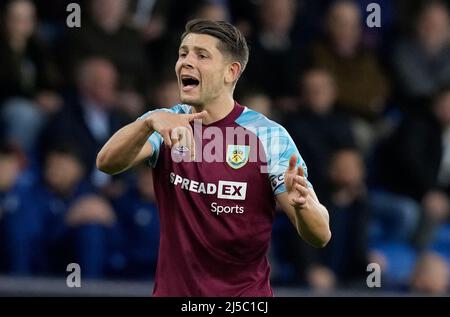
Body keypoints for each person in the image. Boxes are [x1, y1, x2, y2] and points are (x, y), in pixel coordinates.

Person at [97, 19, 331, 297]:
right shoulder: (166, 123)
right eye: (183, 53)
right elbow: (107, 163)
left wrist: (303, 206)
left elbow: (320, 235)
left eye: (201, 55)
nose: (186, 62)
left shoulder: (269, 136)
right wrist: (146, 124)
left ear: (231, 72)